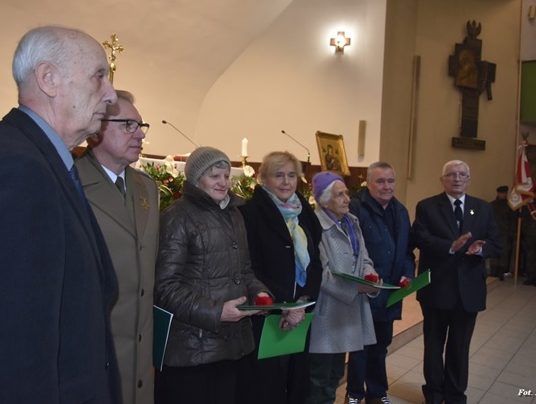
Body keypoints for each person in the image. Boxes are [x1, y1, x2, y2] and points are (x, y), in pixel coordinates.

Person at [0, 26, 121, 403]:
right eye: (99, 76)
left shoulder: (33, 160)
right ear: (49, 78)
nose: (111, 94)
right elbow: (11, 360)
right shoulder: (15, 172)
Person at [154, 146, 270, 404]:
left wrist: (260, 294)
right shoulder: (177, 216)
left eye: (226, 176)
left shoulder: (234, 214)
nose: (223, 182)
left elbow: (244, 271)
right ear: (196, 179)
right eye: (214, 176)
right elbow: (165, 287)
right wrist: (217, 312)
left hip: (232, 345)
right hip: (193, 349)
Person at [75, 90, 159, 404]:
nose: (140, 134)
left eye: (141, 126)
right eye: (128, 125)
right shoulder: (72, 183)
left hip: (141, 350)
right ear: (97, 129)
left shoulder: (146, 186)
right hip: (96, 347)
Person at [237, 151, 323, 404]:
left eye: (291, 175)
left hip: (301, 312)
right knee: (266, 388)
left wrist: (303, 300)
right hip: (266, 313)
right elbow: (249, 267)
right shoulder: (250, 213)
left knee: (296, 384)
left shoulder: (303, 212)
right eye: (279, 175)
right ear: (263, 179)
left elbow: (316, 261)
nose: (286, 182)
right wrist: (285, 304)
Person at [412, 160, 501, 404]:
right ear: (442, 180)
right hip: (437, 288)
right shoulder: (427, 206)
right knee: (433, 345)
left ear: (469, 180)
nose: (457, 179)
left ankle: (455, 395)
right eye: (451, 174)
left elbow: (495, 242)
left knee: (460, 347)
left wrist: (480, 249)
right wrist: (450, 246)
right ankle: (434, 394)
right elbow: (420, 238)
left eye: (462, 175)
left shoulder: (483, 208)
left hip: (468, 290)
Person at [345, 162, 415, 404]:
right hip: (364, 291)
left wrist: (408, 273)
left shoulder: (401, 211)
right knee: (360, 346)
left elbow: (407, 251)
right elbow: (349, 249)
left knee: (381, 345)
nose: (387, 186)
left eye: (390, 181)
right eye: (380, 181)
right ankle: (354, 394)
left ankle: (377, 393)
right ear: (368, 182)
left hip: (390, 292)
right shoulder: (355, 207)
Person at [308, 172, 378, 404]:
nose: (347, 198)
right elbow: (321, 274)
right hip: (326, 311)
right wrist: (355, 289)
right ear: (325, 200)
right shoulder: (315, 225)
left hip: (348, 312)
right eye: (340, 195)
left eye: (346, 193)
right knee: (318, 376)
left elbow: (364, 257)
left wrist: (370, 276)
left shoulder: (351, 222)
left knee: (336, 374)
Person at [490, 185, 516, 280]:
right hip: (493, 233)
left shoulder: (510, 206)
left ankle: (501, 272)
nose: (503, 195)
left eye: (505, 193)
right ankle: (493, 271)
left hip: (505, 233)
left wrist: (511, 233)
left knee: (503, 253)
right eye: (501, 193)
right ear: (498, 193)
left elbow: (513, 221)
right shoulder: (492, 205)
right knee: (493, 252)